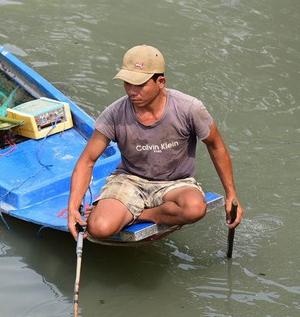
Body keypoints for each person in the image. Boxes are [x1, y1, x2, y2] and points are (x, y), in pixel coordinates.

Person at [67, 45, 242, 240]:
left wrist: (231, 194)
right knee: (99, 228)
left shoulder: (189, 108)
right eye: (127, 83)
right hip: (131, 180)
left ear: (160, 82)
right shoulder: (114, 113)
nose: (132, 91)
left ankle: (139, 215)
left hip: (175, 183)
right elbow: (87, 161)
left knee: (195, 208)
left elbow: (216, 145)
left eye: (140, 85)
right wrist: (73, 208)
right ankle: (128, 211)